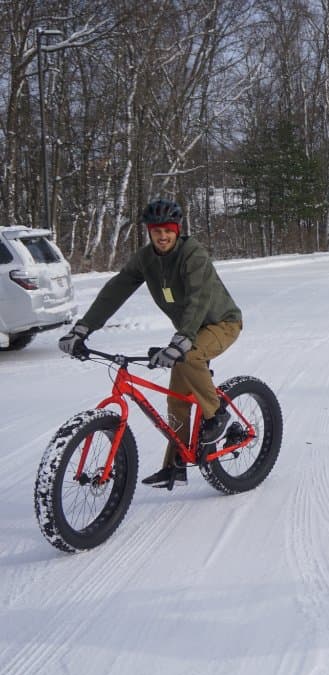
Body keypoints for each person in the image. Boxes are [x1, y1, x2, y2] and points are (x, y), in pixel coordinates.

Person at [58, 198, 243, 489]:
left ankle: (217, 414)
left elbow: (198, 299)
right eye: (156, 230)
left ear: (177, 230)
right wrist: (83, 328)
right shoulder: (146, 259)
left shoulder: (193, 254)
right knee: (177, 400)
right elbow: (115, 291)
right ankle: (176, 465)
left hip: (221, 323)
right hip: (187, 332)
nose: (163, 236)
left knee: (192, 357)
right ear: (149, 231)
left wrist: (181, 340)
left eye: (168, 230)